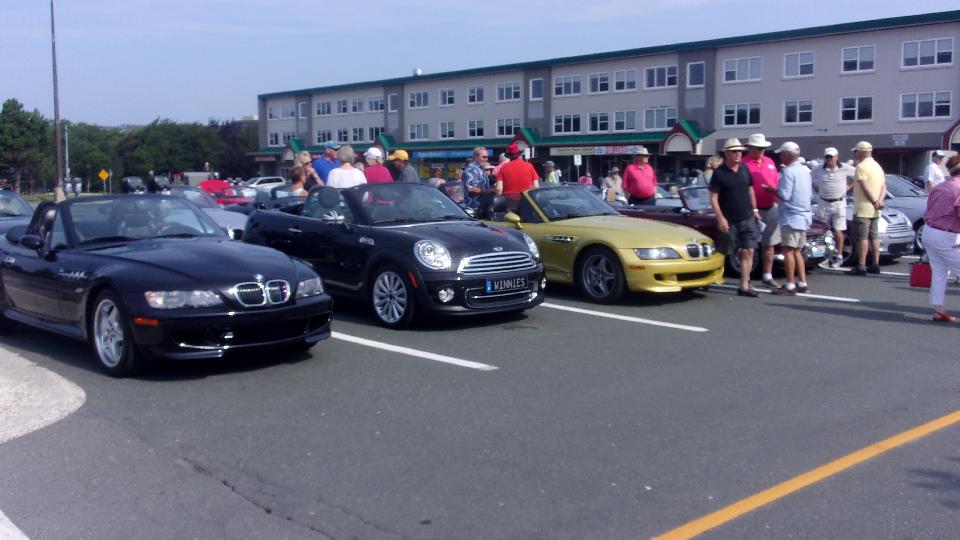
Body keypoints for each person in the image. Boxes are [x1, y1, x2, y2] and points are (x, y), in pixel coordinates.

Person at [709, 138, 761, 297]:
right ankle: (709, 277)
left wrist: (755, 209)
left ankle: (744, 285)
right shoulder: (719, 173)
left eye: (739, 151)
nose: (738, 154)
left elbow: (750, 190)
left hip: (747, 218)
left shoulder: (744, 168)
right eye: (734, 151)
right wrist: (720, 218)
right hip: (729, 220)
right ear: (726, 153)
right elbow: (713, 197)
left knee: (749, 250)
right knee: (724, 251)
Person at [770, 142, 813, 295]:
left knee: (788, 251)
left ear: (787, 155)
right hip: (804, 215)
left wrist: (771, 190)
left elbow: (785, 195)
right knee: (797, 251)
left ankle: (790, 284)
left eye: (782, 154)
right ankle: (802, 282)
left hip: (791, 215)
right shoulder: (805, 170)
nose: (781, 157)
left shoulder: (788, 172)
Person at [921, 155, 960, 321]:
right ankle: (938, 310)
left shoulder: (940, 187)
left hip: (929, 231)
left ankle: (938, 309)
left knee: (940, 272)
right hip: (945, 235)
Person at [742, 133, 781, 288]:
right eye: (758, 148)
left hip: (771, 207)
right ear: (750, 148)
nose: (761, 150)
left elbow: (776, 181)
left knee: (769, 244)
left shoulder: (770, 162)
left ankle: (767, 275)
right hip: (752, 209)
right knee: (750, 246)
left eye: (763, 148)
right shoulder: (744, 164)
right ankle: (747, 278)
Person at [812, 147, 853, 267]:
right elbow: (809, 177)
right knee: (822, 230)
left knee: (838, 230)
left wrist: (849, 186)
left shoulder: (844, 168)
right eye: (827, 157)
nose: (829, 159)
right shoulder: (819, 168)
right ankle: (826, 255)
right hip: (823, 202)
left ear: (836, 157)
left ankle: (839, 255)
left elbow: (859, 175)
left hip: (839, 203)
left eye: (831, 156)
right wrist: (816, 188)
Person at [851, 141, 886, 275]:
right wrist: (879, 201)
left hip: (863, 207)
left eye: (856, 151)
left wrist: (873, 201)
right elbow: (883, 187)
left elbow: (864, 186)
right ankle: (875, 264)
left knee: (862, 237)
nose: (855, 154)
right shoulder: (878, 166)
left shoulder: (861, 166)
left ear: (861, 151)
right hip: (876, 209)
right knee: (874, 237)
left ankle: (861, 265)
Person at [496, 142, 539, 206]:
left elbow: (499, 188)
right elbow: (536, 186)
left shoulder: (503, 167)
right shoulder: (529, 166)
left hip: (509, 202)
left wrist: (499, 202)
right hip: (526, 201)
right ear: (520, 155)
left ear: (509, 157)